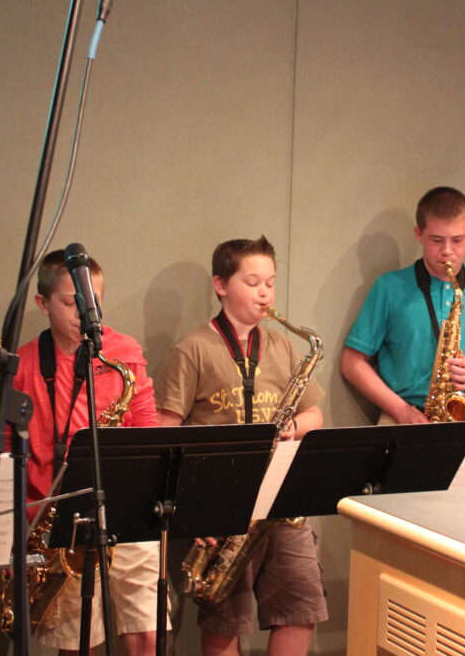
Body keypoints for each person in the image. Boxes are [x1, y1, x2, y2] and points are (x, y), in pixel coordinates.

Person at [154, 236, 327, 656]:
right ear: (220, 284)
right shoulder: (193, 348)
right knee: (224, 619)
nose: (265, 292)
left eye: (270, 282)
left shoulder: (283, 345)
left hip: (281, 499)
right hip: (222, 501)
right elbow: (166, 430)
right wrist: (194, 505)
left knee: (300, 607)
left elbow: (315, 417)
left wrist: (292, 425)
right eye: (252, 282)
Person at [11, 250, 161, 655]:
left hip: (129, 514)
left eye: (93, 300)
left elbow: (148, 432)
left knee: (146, 636)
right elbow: (11, 456)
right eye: (70, 302)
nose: (84, 312)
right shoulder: (22, 365)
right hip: (61, 525)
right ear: (42, 304)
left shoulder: (123, 351)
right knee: (80, 645)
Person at [340, 186, 465, 486]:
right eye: (436, 240)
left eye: (457, 240)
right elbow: (352, 363)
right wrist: (400, 410)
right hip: (402, 423)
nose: (447, 251)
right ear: (418, 234)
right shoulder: (390, 287)